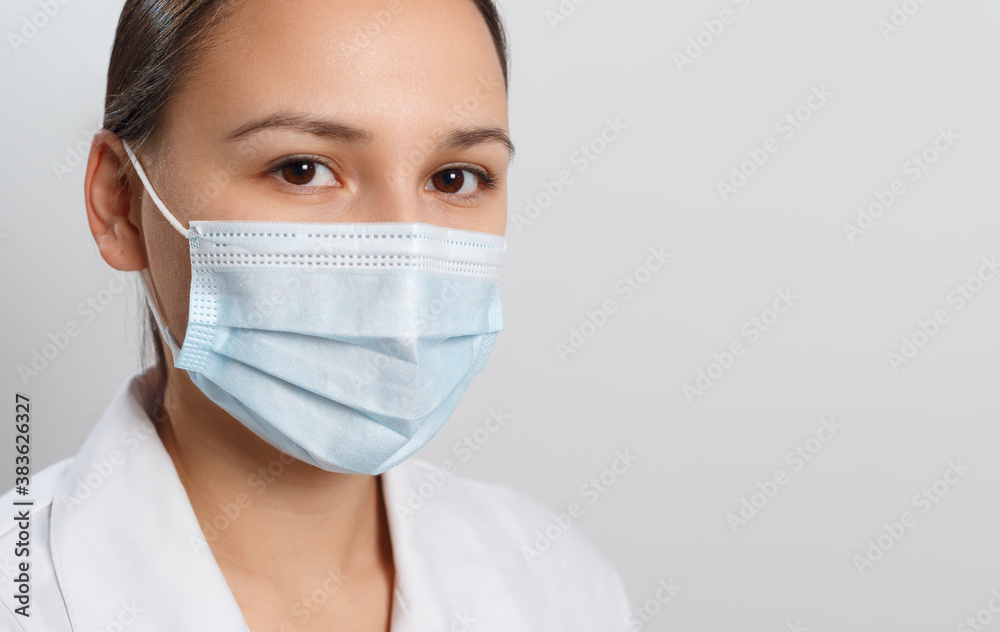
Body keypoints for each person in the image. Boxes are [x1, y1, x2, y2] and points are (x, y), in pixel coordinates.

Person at [0, 0, 632, 629]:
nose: (400, 263)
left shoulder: (560, 588)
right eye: (301, 170)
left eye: (454, 179)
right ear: (121, 200)